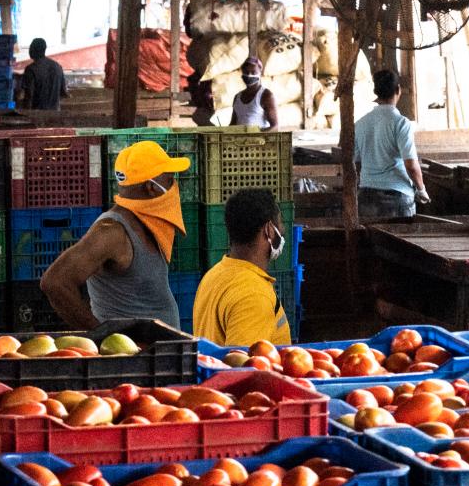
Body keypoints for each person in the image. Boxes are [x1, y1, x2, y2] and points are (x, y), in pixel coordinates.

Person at [39, 140, 190, 330]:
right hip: (129, 356)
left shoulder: (148, 223)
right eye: (169, 179)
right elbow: (55, 282)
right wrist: (101, 335)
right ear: (151, 188)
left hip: (156, 353)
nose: (173, 186)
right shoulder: (111, 232)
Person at [192, 187, 292, 348]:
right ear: (268, 230)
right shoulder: (253, 295)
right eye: (279, 223)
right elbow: (243, 368)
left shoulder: (213, 275)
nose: (282, 230)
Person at [353, 68, 429, 220]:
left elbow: (356, 162)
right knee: (399, 243)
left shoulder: (360, 124)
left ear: (376, 92)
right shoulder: (401, 124)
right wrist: (421, 190)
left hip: (366, 195)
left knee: (370, 242)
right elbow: (411, 166)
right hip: (396, 197)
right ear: (398, 90)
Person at [16, 38, 66, 113]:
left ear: (34, 50)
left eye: (31, 48)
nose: (29, 51)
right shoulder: (57, 67)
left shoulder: (31, 69)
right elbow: (63, 93)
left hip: (37, 115)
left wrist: (24, 114)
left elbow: (29, 96)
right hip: (55, 114)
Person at [230, 56, 278, 130]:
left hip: (259, 140)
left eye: (253, 72)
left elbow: (275, 127)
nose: (249, 75)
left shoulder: (266, 96)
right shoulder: (237, 97)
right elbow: (232, 124)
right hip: (239, 140)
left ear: (260, 73)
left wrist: (258, 137)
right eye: (246, 72)